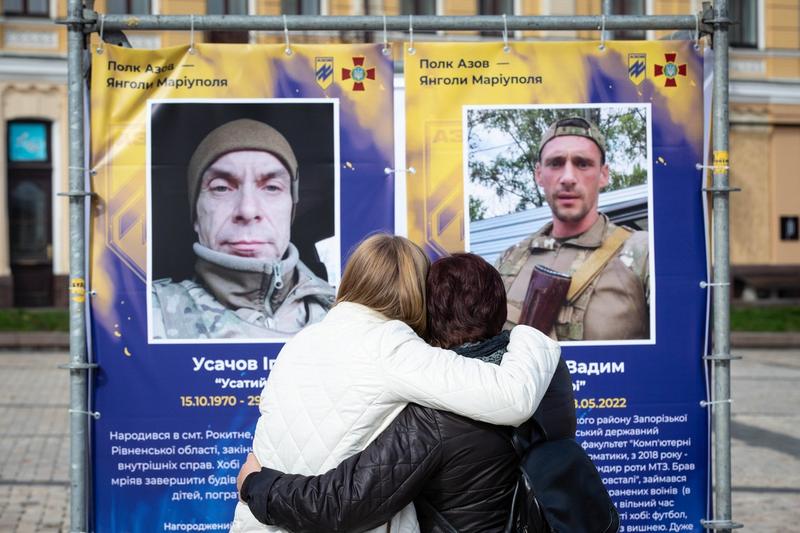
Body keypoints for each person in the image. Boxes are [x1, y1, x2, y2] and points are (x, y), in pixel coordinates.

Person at [229, 236, 561, 533]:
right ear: (416, 292)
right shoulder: (392, 346)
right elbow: (513, 396)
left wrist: (256, 485)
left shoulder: (300, 342)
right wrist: (530, 335)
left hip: (259, 520)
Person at [151, 118, 335, 339]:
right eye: (221, 188)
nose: (247, 210)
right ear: (196, 216)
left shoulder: (344, 313)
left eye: (271, 187)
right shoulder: (148, 315)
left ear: (290, 211)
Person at [496, 116, 650, 341]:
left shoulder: (643, 252)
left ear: (603, 175)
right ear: (539, 174)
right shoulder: (509, 260)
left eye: (583, 163)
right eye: (555, 163)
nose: (568, 178)